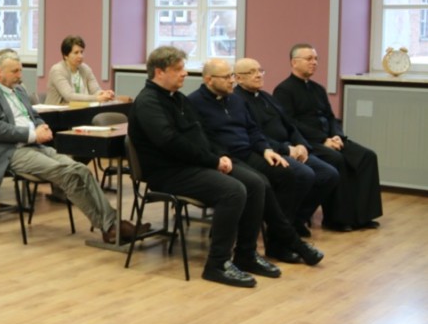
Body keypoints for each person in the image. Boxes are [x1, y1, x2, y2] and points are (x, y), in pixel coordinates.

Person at [128, 46, 280, 287]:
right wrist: (212, 161)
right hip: (167, 173)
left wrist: (220, 154)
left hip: (190, 165)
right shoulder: (148, 102)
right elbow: (170, 143)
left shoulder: (177, 98)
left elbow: (202, 133)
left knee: (256, 182)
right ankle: (217, 264)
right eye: (178, 69)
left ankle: (246, 255)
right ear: (159, 72)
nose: (185, 74)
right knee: (233, 190)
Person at [0, 53, 141, 245]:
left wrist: (42, 126)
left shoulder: (19, 90)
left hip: (36, 145)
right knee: (68, 172)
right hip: (11, 152)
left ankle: (111, 225)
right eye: (15, 71)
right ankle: (110, 226)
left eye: (20, 70)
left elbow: (34, 115)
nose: (20, 74)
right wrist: (32, 134)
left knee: (81, 169)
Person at [187, 58, 325, 265]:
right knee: (260, 184)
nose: (231, 81)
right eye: (226, 77)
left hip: (250, 153)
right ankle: (289, 243)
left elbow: (253, 130)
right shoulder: (194, 102)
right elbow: (205, 138)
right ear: (208, 80)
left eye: (231, 76)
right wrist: (222, 157)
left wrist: (266, 149)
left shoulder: (235, 99)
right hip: (227, 158)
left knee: (289, 174)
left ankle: (279, 243)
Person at [272, 43, 382, 231]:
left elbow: (331, 117)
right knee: (336, 159)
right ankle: (336, 219)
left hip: (329, 138)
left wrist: (337, 135)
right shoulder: (284, 90)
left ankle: (363, 216)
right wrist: (323, 140)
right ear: (294, 62)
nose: (314, 63)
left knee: (367, 156)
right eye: (309, 59)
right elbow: (291, 123)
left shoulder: (318, 88)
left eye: (316, 59)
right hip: (309, 141)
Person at [234, 57, 339, 237]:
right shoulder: (237, 101)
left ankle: (296, 219)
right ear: (238, 78)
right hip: (268, 152)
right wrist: (286, 150)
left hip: (291, 147)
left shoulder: (267, 96)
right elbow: (255, 135)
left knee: (328, 174)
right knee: (305, 175)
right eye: (251, 72)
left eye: (260, 70)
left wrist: (301, 144)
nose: (258, 75)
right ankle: (282, 226)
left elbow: (291, 125)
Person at [46, 35, 116, 105]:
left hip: (80, 109)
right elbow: (69, 96)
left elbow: (95, 90)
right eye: (76, 53)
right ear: (65, 56)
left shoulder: (85, 69)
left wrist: (104, 94)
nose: (80, 56)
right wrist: (97, 98)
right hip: (57, 112)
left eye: (81, 52)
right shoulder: (57, 70)